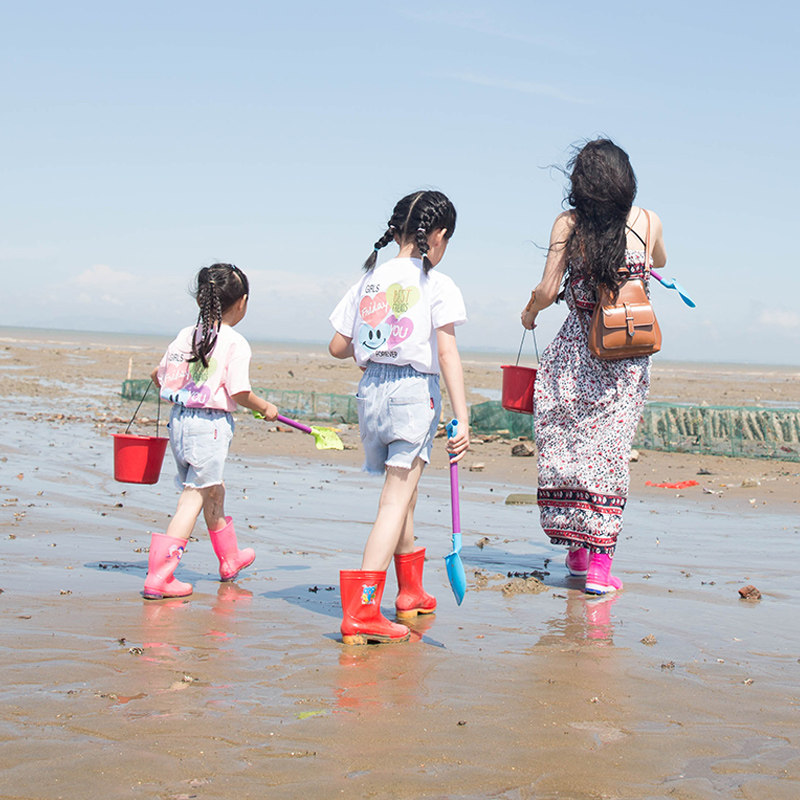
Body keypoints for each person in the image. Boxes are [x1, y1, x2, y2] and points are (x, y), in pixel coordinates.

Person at [521, 139, 667, 594]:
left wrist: (529, 313)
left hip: (576, 351)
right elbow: (659, 261)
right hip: (624, 356)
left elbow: (547, 290)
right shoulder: (647, 221)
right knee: (608, 456)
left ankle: (579, 553)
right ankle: (599, 565)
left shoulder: (569, 224)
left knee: (567, 451)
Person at [329, 190, 470, 644]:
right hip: (412, 393)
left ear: (396, 232)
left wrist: (377, 343)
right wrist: (463, 417)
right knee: (395, 499)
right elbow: (446, 352)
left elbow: (337, 346)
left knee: (402, 491)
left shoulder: (368, 279)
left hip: (371, 393)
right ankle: (364, 608)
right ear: (440, 236)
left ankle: (409, 591)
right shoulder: (437, 284)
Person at [144, 263, 278, 599]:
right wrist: (265, 408)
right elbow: (239, 392)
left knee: (211, 489)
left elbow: (158, 376)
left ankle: (229, 559)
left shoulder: (185, 334)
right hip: (209, 427)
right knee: (193, 496)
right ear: (242, 302)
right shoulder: (235, 341)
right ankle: (160, 576)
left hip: (180, 421)